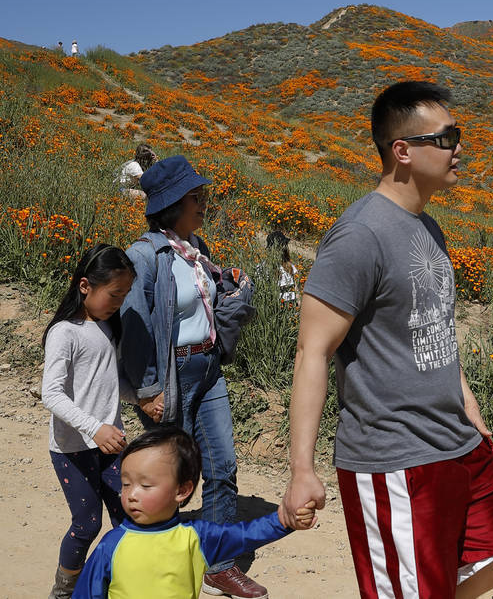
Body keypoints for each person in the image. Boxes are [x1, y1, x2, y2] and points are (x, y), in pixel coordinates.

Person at [280, 82, 493, 599]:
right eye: (447, 136)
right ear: (403, 151)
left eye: (458, 134)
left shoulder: (427, 226)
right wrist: (302, 469)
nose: (459, 147)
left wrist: (469, 407)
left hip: (455, 440)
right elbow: (312, 351)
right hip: (395, 456)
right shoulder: (360, 234)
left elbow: (433, 327)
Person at [120, 155, 264, 598]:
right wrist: (147, 389)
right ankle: (154, 556)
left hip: (208, 368)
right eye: (195, 198)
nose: (204, 204)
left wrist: (229, 287)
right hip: (172, 374)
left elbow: (201, 302)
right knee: (170, 474)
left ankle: (217, 565)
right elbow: (134, 324)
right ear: (171, 204)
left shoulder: (194, 247)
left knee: (222, 465)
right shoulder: (144, 256)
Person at [73, 427, 313, 599]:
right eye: (126, 484)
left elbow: (246, 535)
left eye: (145, 485)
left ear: (182, 490)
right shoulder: (112, 545)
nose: (132, 494)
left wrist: (285, 520)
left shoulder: (197, 538)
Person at [40, 245, 136, 599]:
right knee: (87, 523)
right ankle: (64, 592)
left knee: (128, 518)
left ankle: (119, 584)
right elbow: (50, 394)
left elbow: (110, 382)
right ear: (85, 286)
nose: (119, 302)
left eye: (124, 295)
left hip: (110, 445)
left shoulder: (108, 328)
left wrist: (139, 398)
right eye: (114, 294)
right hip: (73, 449)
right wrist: (93, 427)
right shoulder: (65, 332)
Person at [265, 230, 299, 304]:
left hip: (292, 305)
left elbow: (295, 287)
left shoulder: (290, 266)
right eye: (281, 246)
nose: (284, 249)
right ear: (272, 249)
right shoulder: (264, 268)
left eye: (285, 246)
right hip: (278, 306)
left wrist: (298, 301)